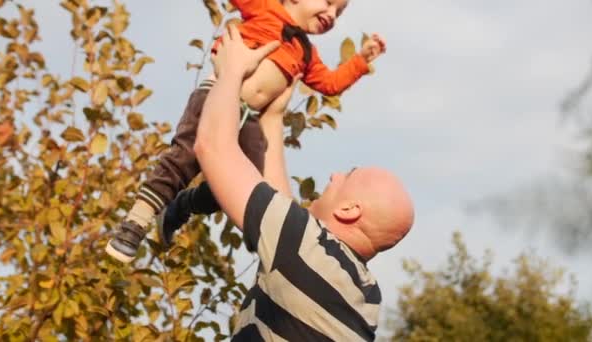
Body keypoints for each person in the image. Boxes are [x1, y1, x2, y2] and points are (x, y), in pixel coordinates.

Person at [106, 0, 387, 262]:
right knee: (183, 159)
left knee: (244, 185)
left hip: (250, 119)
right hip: (216, 95)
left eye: (339, 13)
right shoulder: (265, 7)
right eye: (328, 3)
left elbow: (330, 83)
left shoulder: (307, 52)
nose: (331, 15)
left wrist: (361, 61)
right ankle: (135, 222)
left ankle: (184, 204)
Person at [195, 25, 414, 341]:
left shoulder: (304, 249)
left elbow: (213, 147)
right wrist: (273, 117)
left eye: (347, 177)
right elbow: (283, 215)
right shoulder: (363, 294)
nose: (334, 176)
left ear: (350, 210)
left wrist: (230, 72)